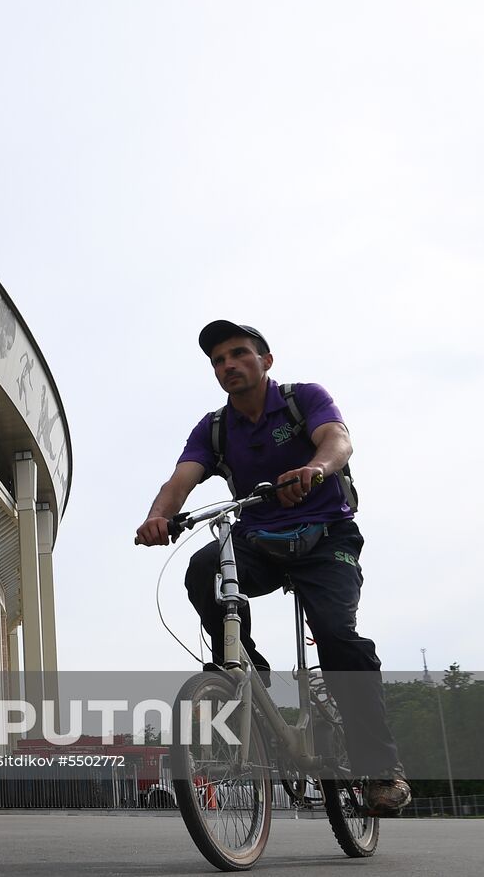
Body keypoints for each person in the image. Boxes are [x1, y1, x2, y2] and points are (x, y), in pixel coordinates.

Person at [135, 320, 410, 815]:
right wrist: (158, 516)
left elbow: (338, 440)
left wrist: (316, 468)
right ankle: (244, 665)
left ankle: (380, 767)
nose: (228, 365)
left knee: (337, 636)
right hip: (260, 541)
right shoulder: (215, 429)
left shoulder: (303, 399)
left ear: (265, 360)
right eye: (218, 361)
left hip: (326, 537)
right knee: (203, 567)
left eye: (239, 354)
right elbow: (180, 481)